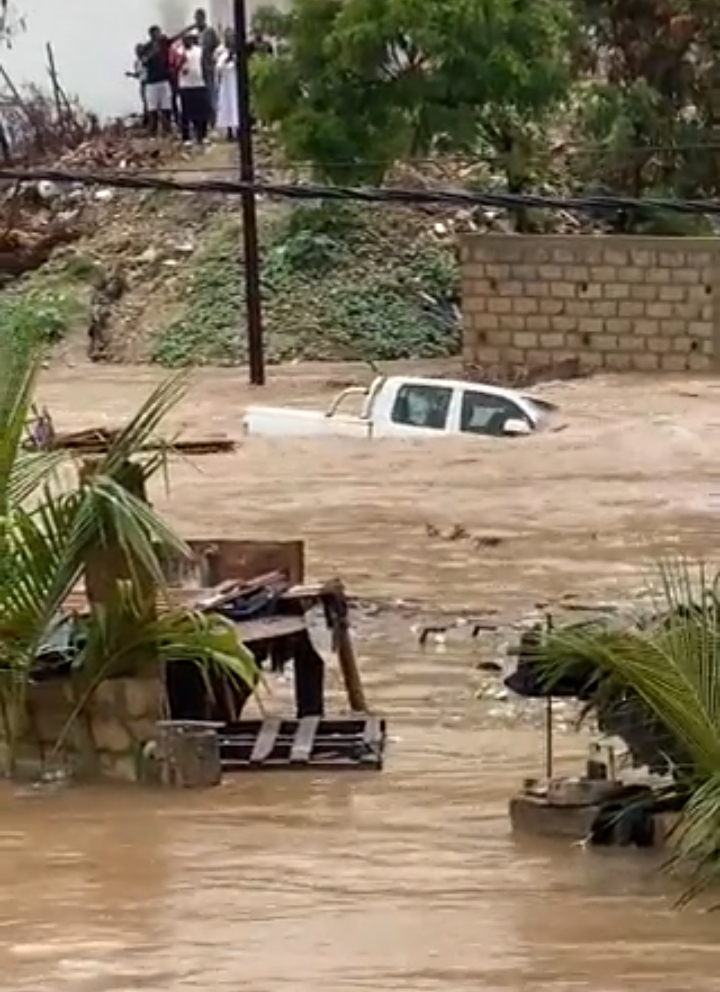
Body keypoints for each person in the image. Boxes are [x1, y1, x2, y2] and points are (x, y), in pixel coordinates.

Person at [177, 32, 210, 145]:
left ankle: (203, 135)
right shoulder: (179, 51)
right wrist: (180, 67)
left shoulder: (199, 50)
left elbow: (204, 64)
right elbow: (173, 66)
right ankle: (186, 137)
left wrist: (206, 79)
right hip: (185, 85)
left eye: (190, 39)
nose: (188, 41)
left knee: (202, 111)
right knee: (186, 112)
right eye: (185, 39)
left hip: (199, 83)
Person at [142, 26, 173, 135]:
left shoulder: (164, 43)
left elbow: (176, 38)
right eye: (156, 33)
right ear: (151, 35)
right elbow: (143, 61)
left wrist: (189, 28)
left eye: (159, 32)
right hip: (151, 82)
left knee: (166, 107)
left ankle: (167, 129)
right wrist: (153, 52)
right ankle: (153, 130)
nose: (158, 35)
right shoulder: (146, 47)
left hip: (164, 80)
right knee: (152, 109)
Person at [193, 8, 220, 122]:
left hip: (208, 68)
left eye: (200, 18)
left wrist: (214, 61)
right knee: (199, 95)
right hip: (195, 69)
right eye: (196, 18)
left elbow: (217, 48)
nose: (198, 21)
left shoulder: (210, 32)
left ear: (204, 18)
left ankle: (213, 118)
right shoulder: (193, 34)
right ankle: (203, 119)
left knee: (210, 93)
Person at [215, 28, 238, 141]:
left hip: (236, 83)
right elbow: (218, 67)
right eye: (228, 36)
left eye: (232, 36)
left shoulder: (239, 50)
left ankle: (238, 131)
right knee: (227, 106)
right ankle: (229, 131)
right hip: (226, 83)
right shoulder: (221, 51)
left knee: (237, 106)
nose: (230, 39)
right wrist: (228, 59)